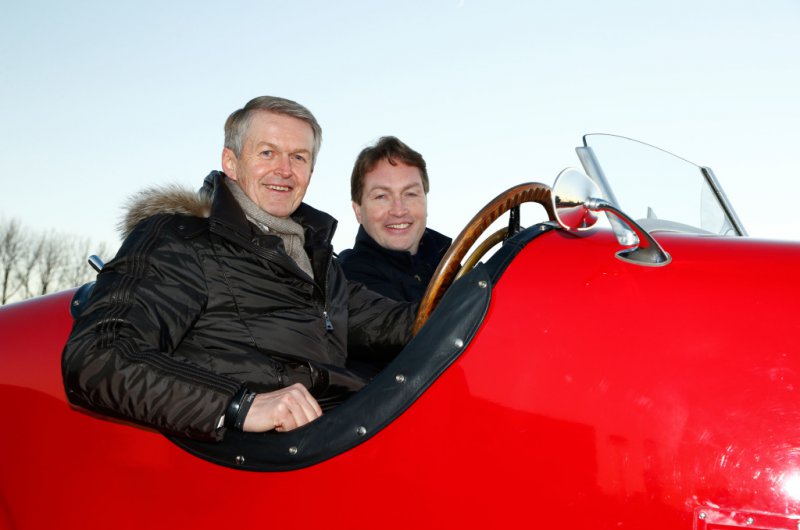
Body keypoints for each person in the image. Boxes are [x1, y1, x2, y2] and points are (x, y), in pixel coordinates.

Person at [61, 96, 416, 442]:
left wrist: (454, 297)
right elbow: (98, 355)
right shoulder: (182, 240)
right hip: (260, 455)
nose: (285, 170)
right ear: (231, 163)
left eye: (298, 157)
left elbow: (397, 321)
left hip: (340, 433)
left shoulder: (318, 262)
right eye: (267, 153)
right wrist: (239, 405)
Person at [338, 136, 451, 303]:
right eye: (381, 196)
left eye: (410, 194)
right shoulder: (350, 281)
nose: (399, 210)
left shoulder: (447, 261)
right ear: (358, 211)